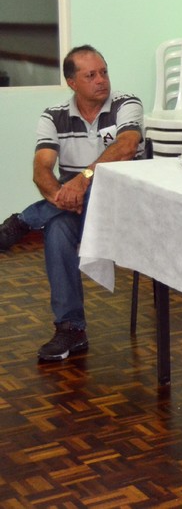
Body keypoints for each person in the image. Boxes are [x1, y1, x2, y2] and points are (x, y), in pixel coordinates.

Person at [0, 45, 144, 360]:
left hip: (127, 205)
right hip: (79, 207)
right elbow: (41, 170)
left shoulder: (125, 104)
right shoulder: (54, 116)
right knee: (58, 229)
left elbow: (126, 147)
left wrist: (82, 180)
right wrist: (63, 196)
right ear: (72, 82)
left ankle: (24, 221)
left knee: (100, 181)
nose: (101, 80)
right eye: (90, 75)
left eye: (103, 72)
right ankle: (71, 329)